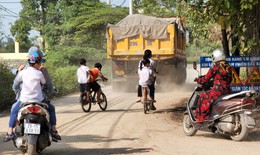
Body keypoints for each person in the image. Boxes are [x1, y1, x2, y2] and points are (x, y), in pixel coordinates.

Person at [3, 51, 61, 142]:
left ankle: (10, 132)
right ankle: (54, 130)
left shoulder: (22, 73)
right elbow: (44, 83)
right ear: (37, 63)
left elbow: (15, 84)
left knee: (14, 110)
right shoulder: (39, 73)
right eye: (40, 63)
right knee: (51, 109)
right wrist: (42, 73)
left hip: (24, 100)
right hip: (39, 100)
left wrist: (19, 71)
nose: (40, 64)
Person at [194, 49, 232, 123]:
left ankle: (201, 118)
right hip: (227, 91)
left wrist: (198, 80)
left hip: (217, 92)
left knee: (203, 96)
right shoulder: (228, 67)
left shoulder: (215, 66)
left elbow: (206, 79)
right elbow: (230, 80)